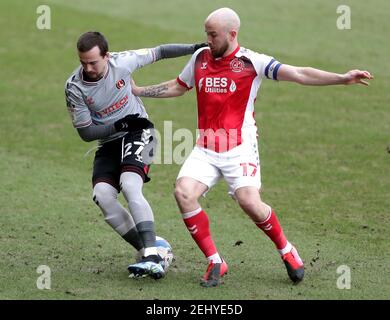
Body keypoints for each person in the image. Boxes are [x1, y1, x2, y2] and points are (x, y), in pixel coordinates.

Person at [131, 7, 374, 287]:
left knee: (250, 203)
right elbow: (179, 85)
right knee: (183, 193)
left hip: (240, 148)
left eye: (213, 35)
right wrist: (140, 91)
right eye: (206, 34)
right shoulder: (200, 58)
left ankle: (286, 250)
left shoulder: (252, 62)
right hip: (206, 148)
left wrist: (342, 78)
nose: (207, 40)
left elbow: (299, 73)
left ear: (232, 34)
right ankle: (215, 261)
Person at [64, 31, 206, 279]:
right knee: (103, 197)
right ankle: (150, 250)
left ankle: (151, 254)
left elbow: (160, 51)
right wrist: (117, 126)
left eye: (93, 62)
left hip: (141, 132)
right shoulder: (74, 87)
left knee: (130, 186)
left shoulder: (123, 62)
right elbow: (86, 133)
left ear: (107, 56)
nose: (88, 68)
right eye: (83, 62)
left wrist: (195, 48)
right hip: (109, 141)